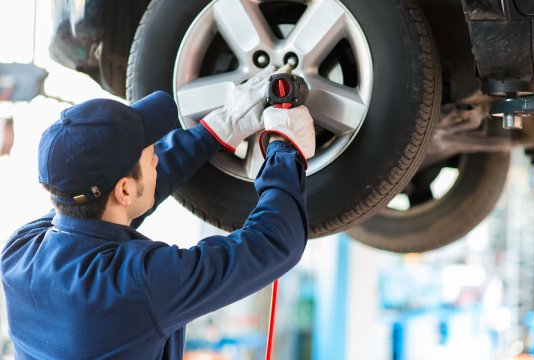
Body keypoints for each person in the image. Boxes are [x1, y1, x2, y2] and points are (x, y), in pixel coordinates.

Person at [0, 67, 315, 359]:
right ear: (123, 190)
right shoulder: (137, 285)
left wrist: (215, 131)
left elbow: (110, 209)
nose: (156, 158)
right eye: (150, 153)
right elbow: (274, 243)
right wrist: (284, 148)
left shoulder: (20, 252)